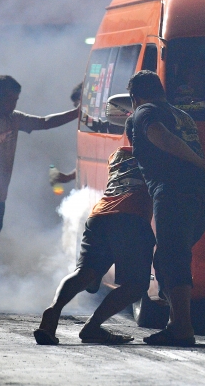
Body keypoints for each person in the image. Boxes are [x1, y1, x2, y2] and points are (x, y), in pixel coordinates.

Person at [127, 70, 205, 346]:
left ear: (134, 97)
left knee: (172, 257)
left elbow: (161, 136)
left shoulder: (144, 111)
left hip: (176, 192)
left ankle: (182, 327)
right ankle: (176, 321)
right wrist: (202, 166)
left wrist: (200, 163)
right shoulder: (182, 115)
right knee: (166, 258)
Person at [0, 76, 79, 271]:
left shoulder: (14, 119)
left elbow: (45, 122)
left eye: (15, 100)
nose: (13, 105)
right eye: (9, 100)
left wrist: (77, 113)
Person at [34, 142, 155, 345]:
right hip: (131, 219)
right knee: (136, 284)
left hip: (99, 216)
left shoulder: (117, 154)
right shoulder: (156, 154)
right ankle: (93, 326)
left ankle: (53, 311)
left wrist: (69, 176)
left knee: (85, 273)